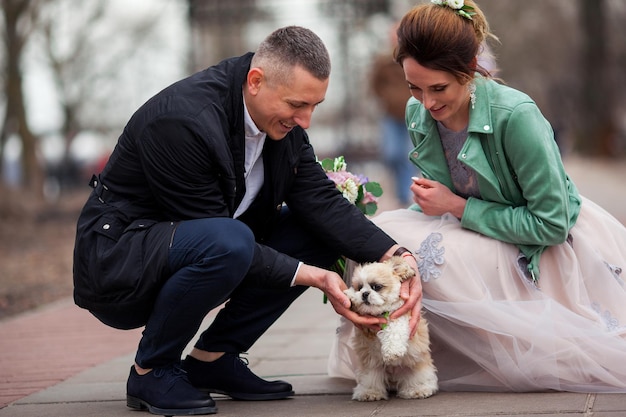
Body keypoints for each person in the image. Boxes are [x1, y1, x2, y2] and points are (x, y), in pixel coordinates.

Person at [72, 26, 421, 416]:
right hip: (120, 259)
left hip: (205, 241)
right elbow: (215, 237)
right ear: (256, 81)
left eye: (314, 106)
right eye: (297, 105)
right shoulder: (182, 121)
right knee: (231, 241)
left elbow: (320, 200)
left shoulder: (279, 122)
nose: (305, 120)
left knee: (315, 231)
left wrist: (397, 255)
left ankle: (213, 359)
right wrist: (311, 275)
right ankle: (151, 369)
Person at [329, 0, 626, 393]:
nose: (427, 102)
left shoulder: (516, 116)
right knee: (381, 240)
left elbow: (552, 223)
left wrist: (455, 206)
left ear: (469, 69)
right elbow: (448, 191)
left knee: (429, 256)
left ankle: (456, 356)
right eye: (414, 87)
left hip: (542, 243)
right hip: (470, 224)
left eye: (439, 88)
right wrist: (433, 201)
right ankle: (398, 358)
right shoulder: (418, 114)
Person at [370, 23, 419, 205]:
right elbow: (374, 84)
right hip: (390, 115)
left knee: (408, 154)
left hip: (411, 115)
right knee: (391, 153)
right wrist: (386, 98)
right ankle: (401, 189)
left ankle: (404, 195)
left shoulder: (414, 58)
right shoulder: (383, 61)